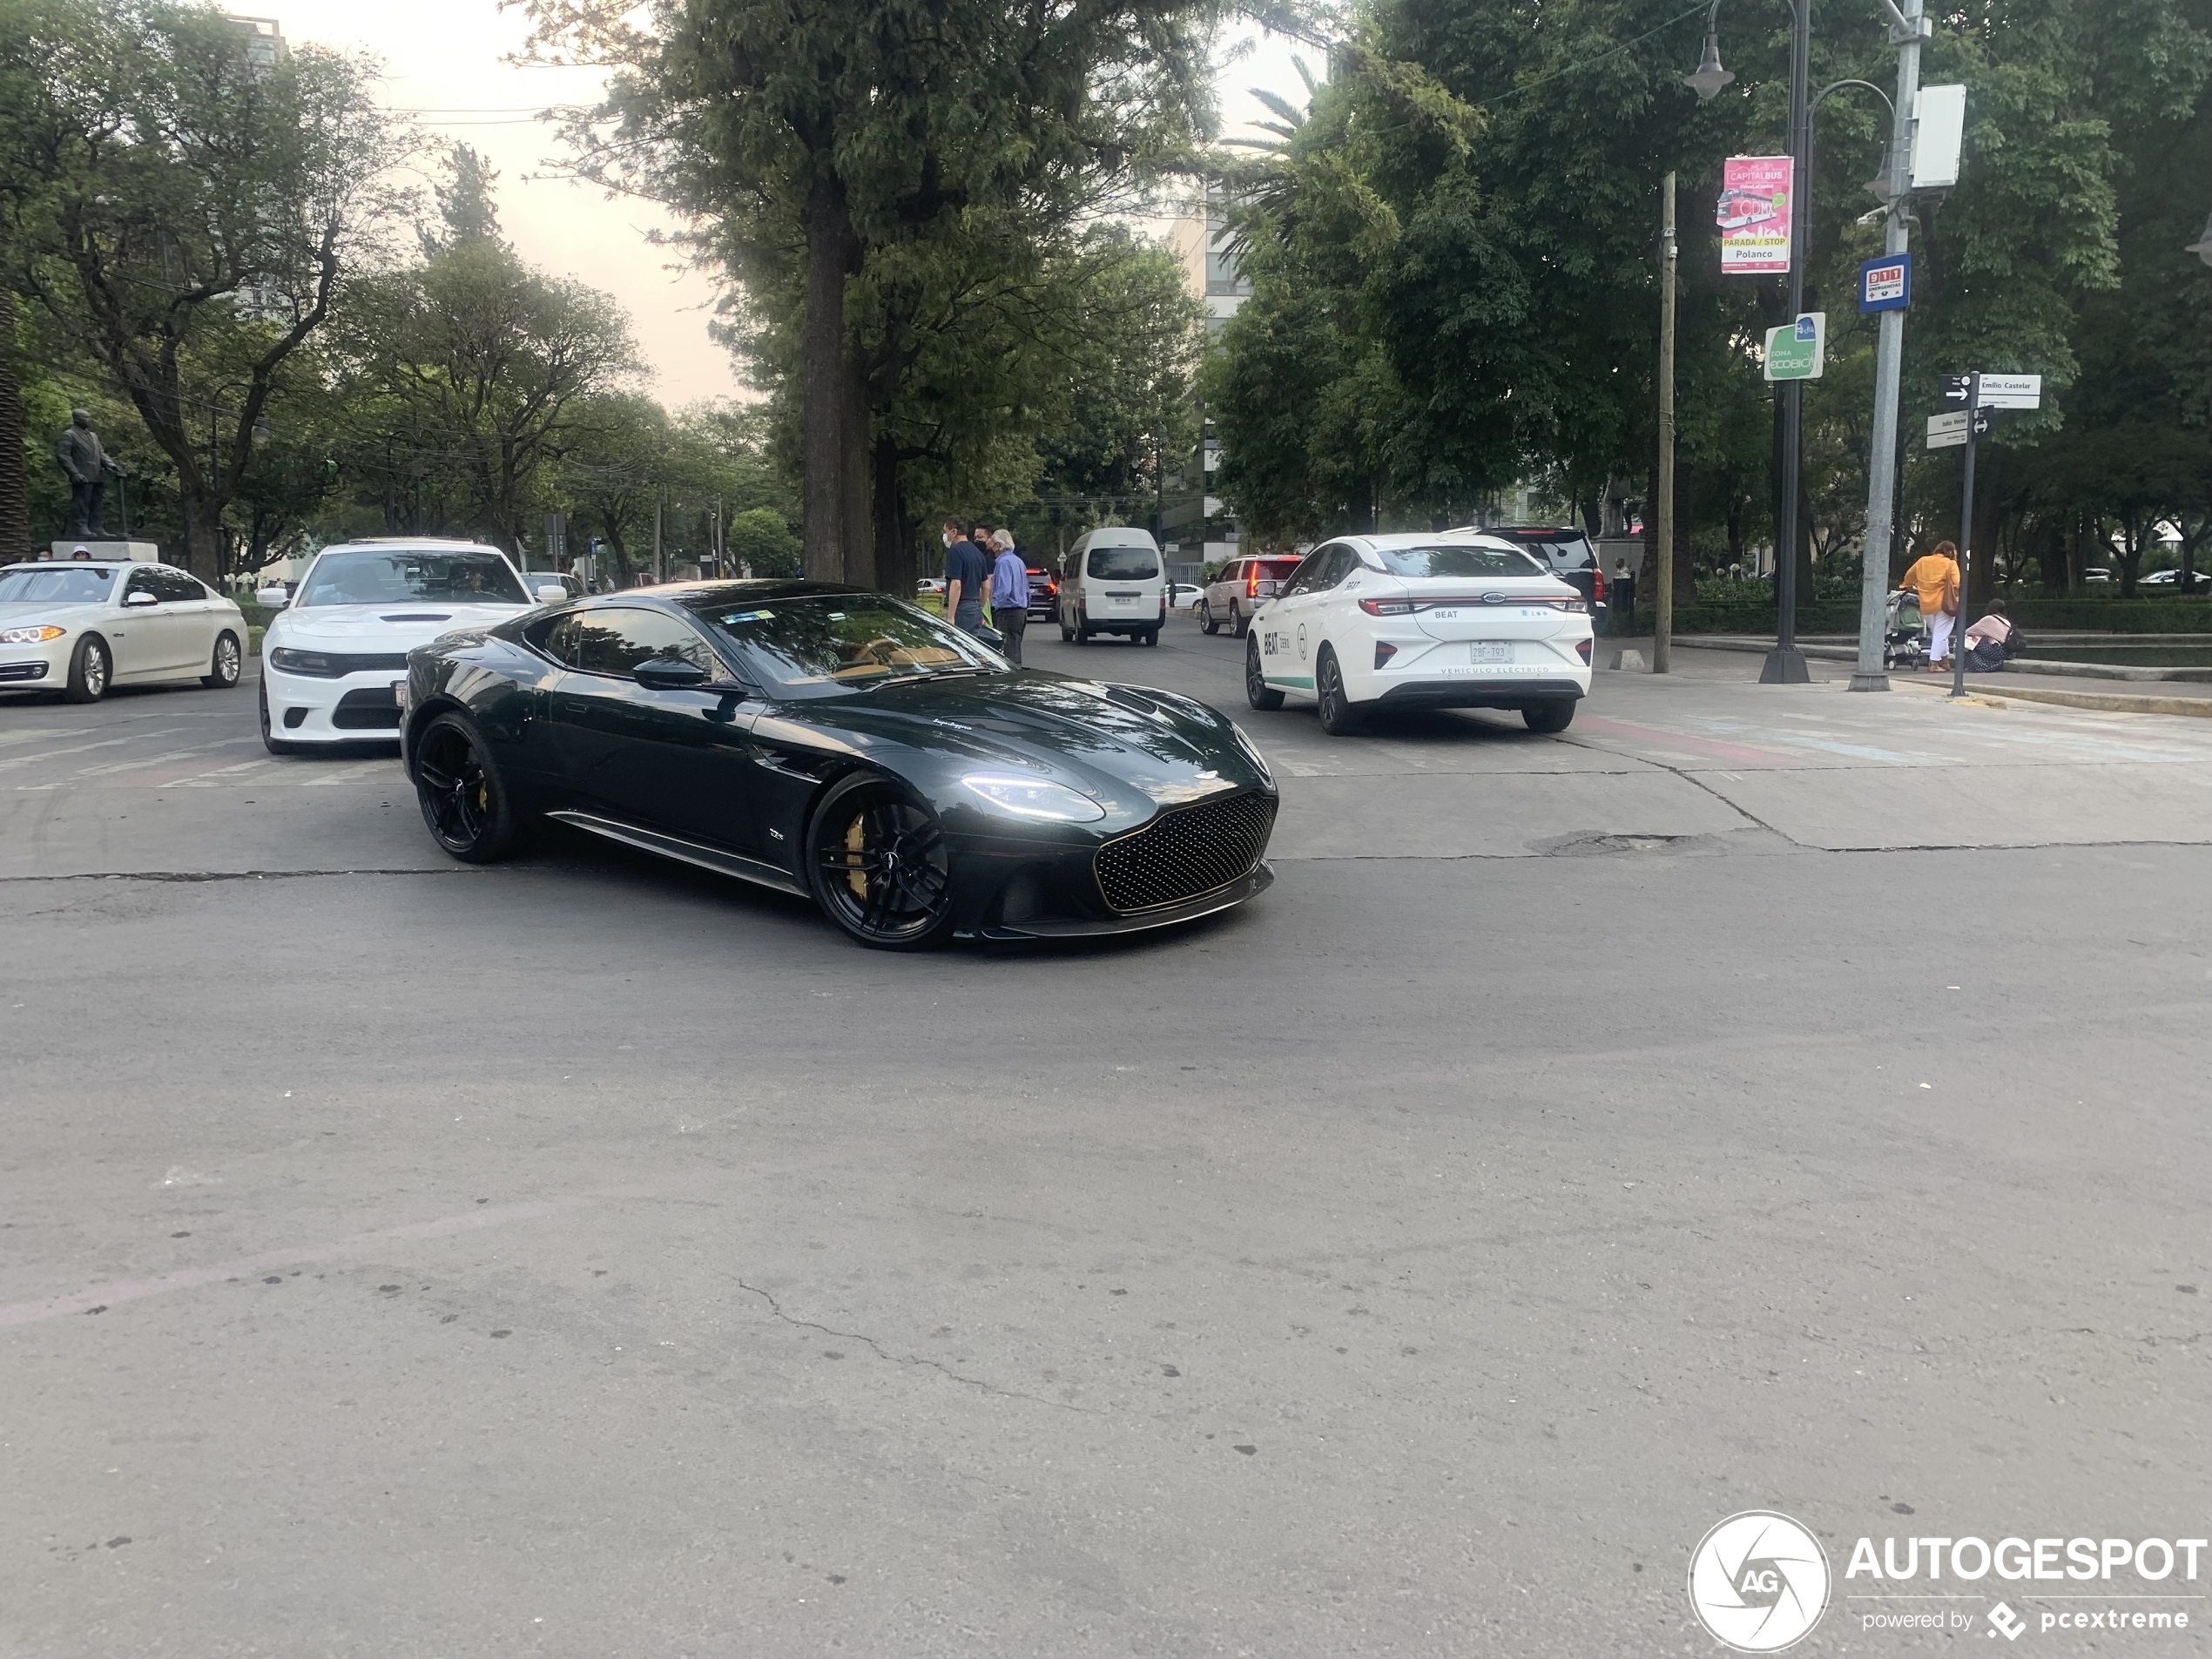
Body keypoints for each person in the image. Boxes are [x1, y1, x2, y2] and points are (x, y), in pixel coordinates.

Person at [1898, 540, 1962, 671]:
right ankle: (1933, 663)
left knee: (1938, 633)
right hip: (1945, 605)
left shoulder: (1922, 561)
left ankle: (1945, 662)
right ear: (1950, 552)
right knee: (1941, 634)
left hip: (1926, 605)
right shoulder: (1951, 564)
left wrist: (1910, 587)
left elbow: (1908, 577)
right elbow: (1956, 583)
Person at [941, 517, 990, 637]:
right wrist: (980, 608)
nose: (945, 536)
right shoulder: (978, 553)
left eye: (945, 532)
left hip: (961, 608)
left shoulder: (956, 551)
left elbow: (956, 585)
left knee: (958, 647)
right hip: (975, 608)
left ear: (954, 532)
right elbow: (986, 586)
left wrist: (951, 617)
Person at [989, 529, 1031, 664]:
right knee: (1015, 647)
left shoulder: (1003, 563)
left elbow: (1004, 590)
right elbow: (1026, 588)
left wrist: (993, 606)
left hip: (1008, 612)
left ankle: (1012, 681)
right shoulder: (1018, 561)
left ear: (998, 545)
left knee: (1007, 652)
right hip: (1021, 611)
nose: (991, 548)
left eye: (993, 544)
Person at [1963, 598, 2018, 672]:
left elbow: (1968, 632)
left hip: (1998, 651)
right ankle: (1989, 664)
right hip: (2010, 653)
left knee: (1966, 641)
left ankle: (1979, 665)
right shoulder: (2005, 620)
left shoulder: (1989, 619)